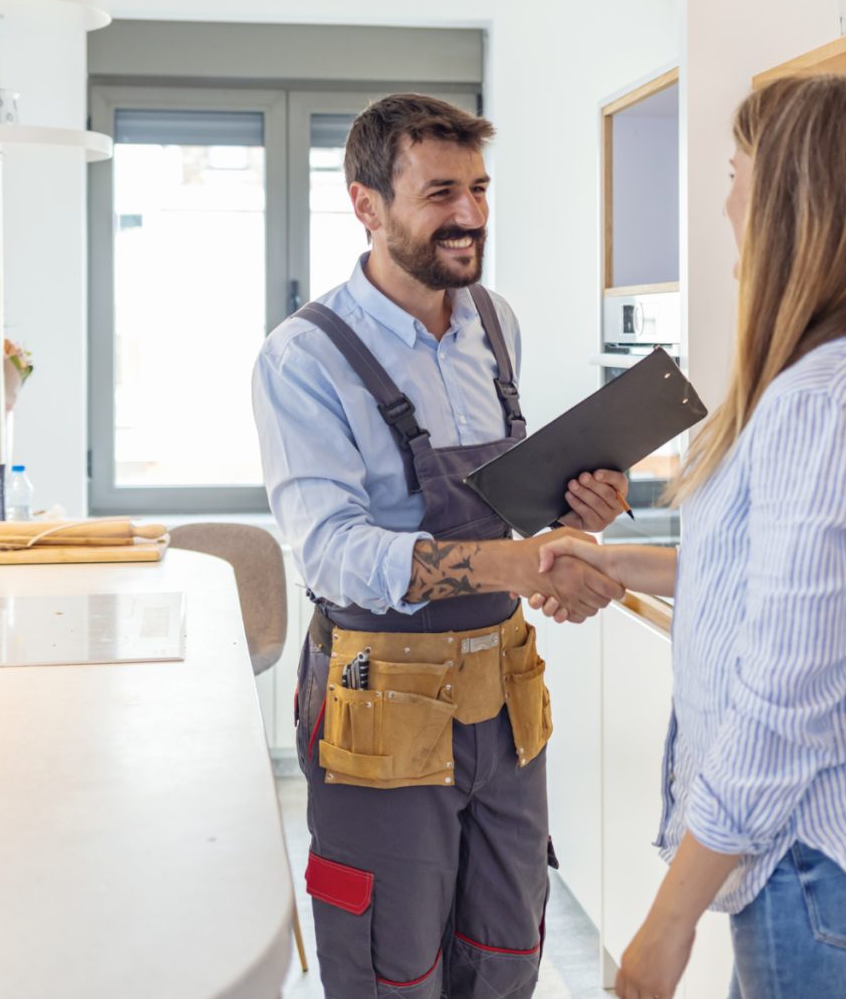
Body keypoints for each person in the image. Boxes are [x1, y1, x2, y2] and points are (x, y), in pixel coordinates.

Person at [532, 74, 846, 999]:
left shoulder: (818, 400)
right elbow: (765, 584)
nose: (725, 200)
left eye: (736, 172)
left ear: (786, 200)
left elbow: (784, 692)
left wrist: (669, 917)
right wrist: (614, 562)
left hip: (816, 858)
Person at [252, 92, 629, 997]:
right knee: (393, 967)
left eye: (480, 190)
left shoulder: (494, 323)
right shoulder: (303, 359)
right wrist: (517, 560)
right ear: (366, 205)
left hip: (504, 700)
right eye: (440, 194)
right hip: (382, 706)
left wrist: (577, 513)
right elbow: (333, 552)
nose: (469, 216)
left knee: (505, 952)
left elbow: (505, 507)